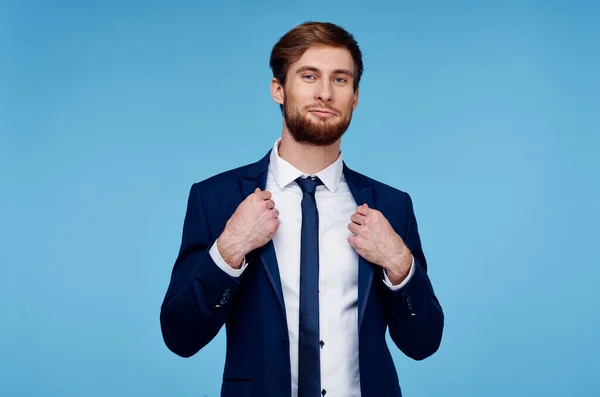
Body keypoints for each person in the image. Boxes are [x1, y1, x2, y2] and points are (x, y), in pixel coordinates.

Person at [160, 21, 444, 397]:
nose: (325, 93)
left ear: (355, 97)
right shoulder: (216, 199)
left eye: (340, 80)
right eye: (309, 76)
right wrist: (228, 250)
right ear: (279, 89)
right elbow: (181, 337)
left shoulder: (391, 206)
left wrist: (399, 264)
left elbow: (423, 343)